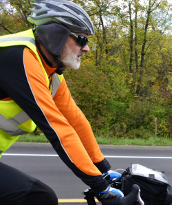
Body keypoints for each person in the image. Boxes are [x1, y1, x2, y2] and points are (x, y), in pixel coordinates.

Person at [0, 0, 124, 204]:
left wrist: (104, 170)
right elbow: (57, 129)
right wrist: (102, 189)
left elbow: (75, 120)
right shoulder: (19, 57)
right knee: (39, 198)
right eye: (82, 40)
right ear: (55, 34)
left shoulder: (49, 71)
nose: (86, 49)